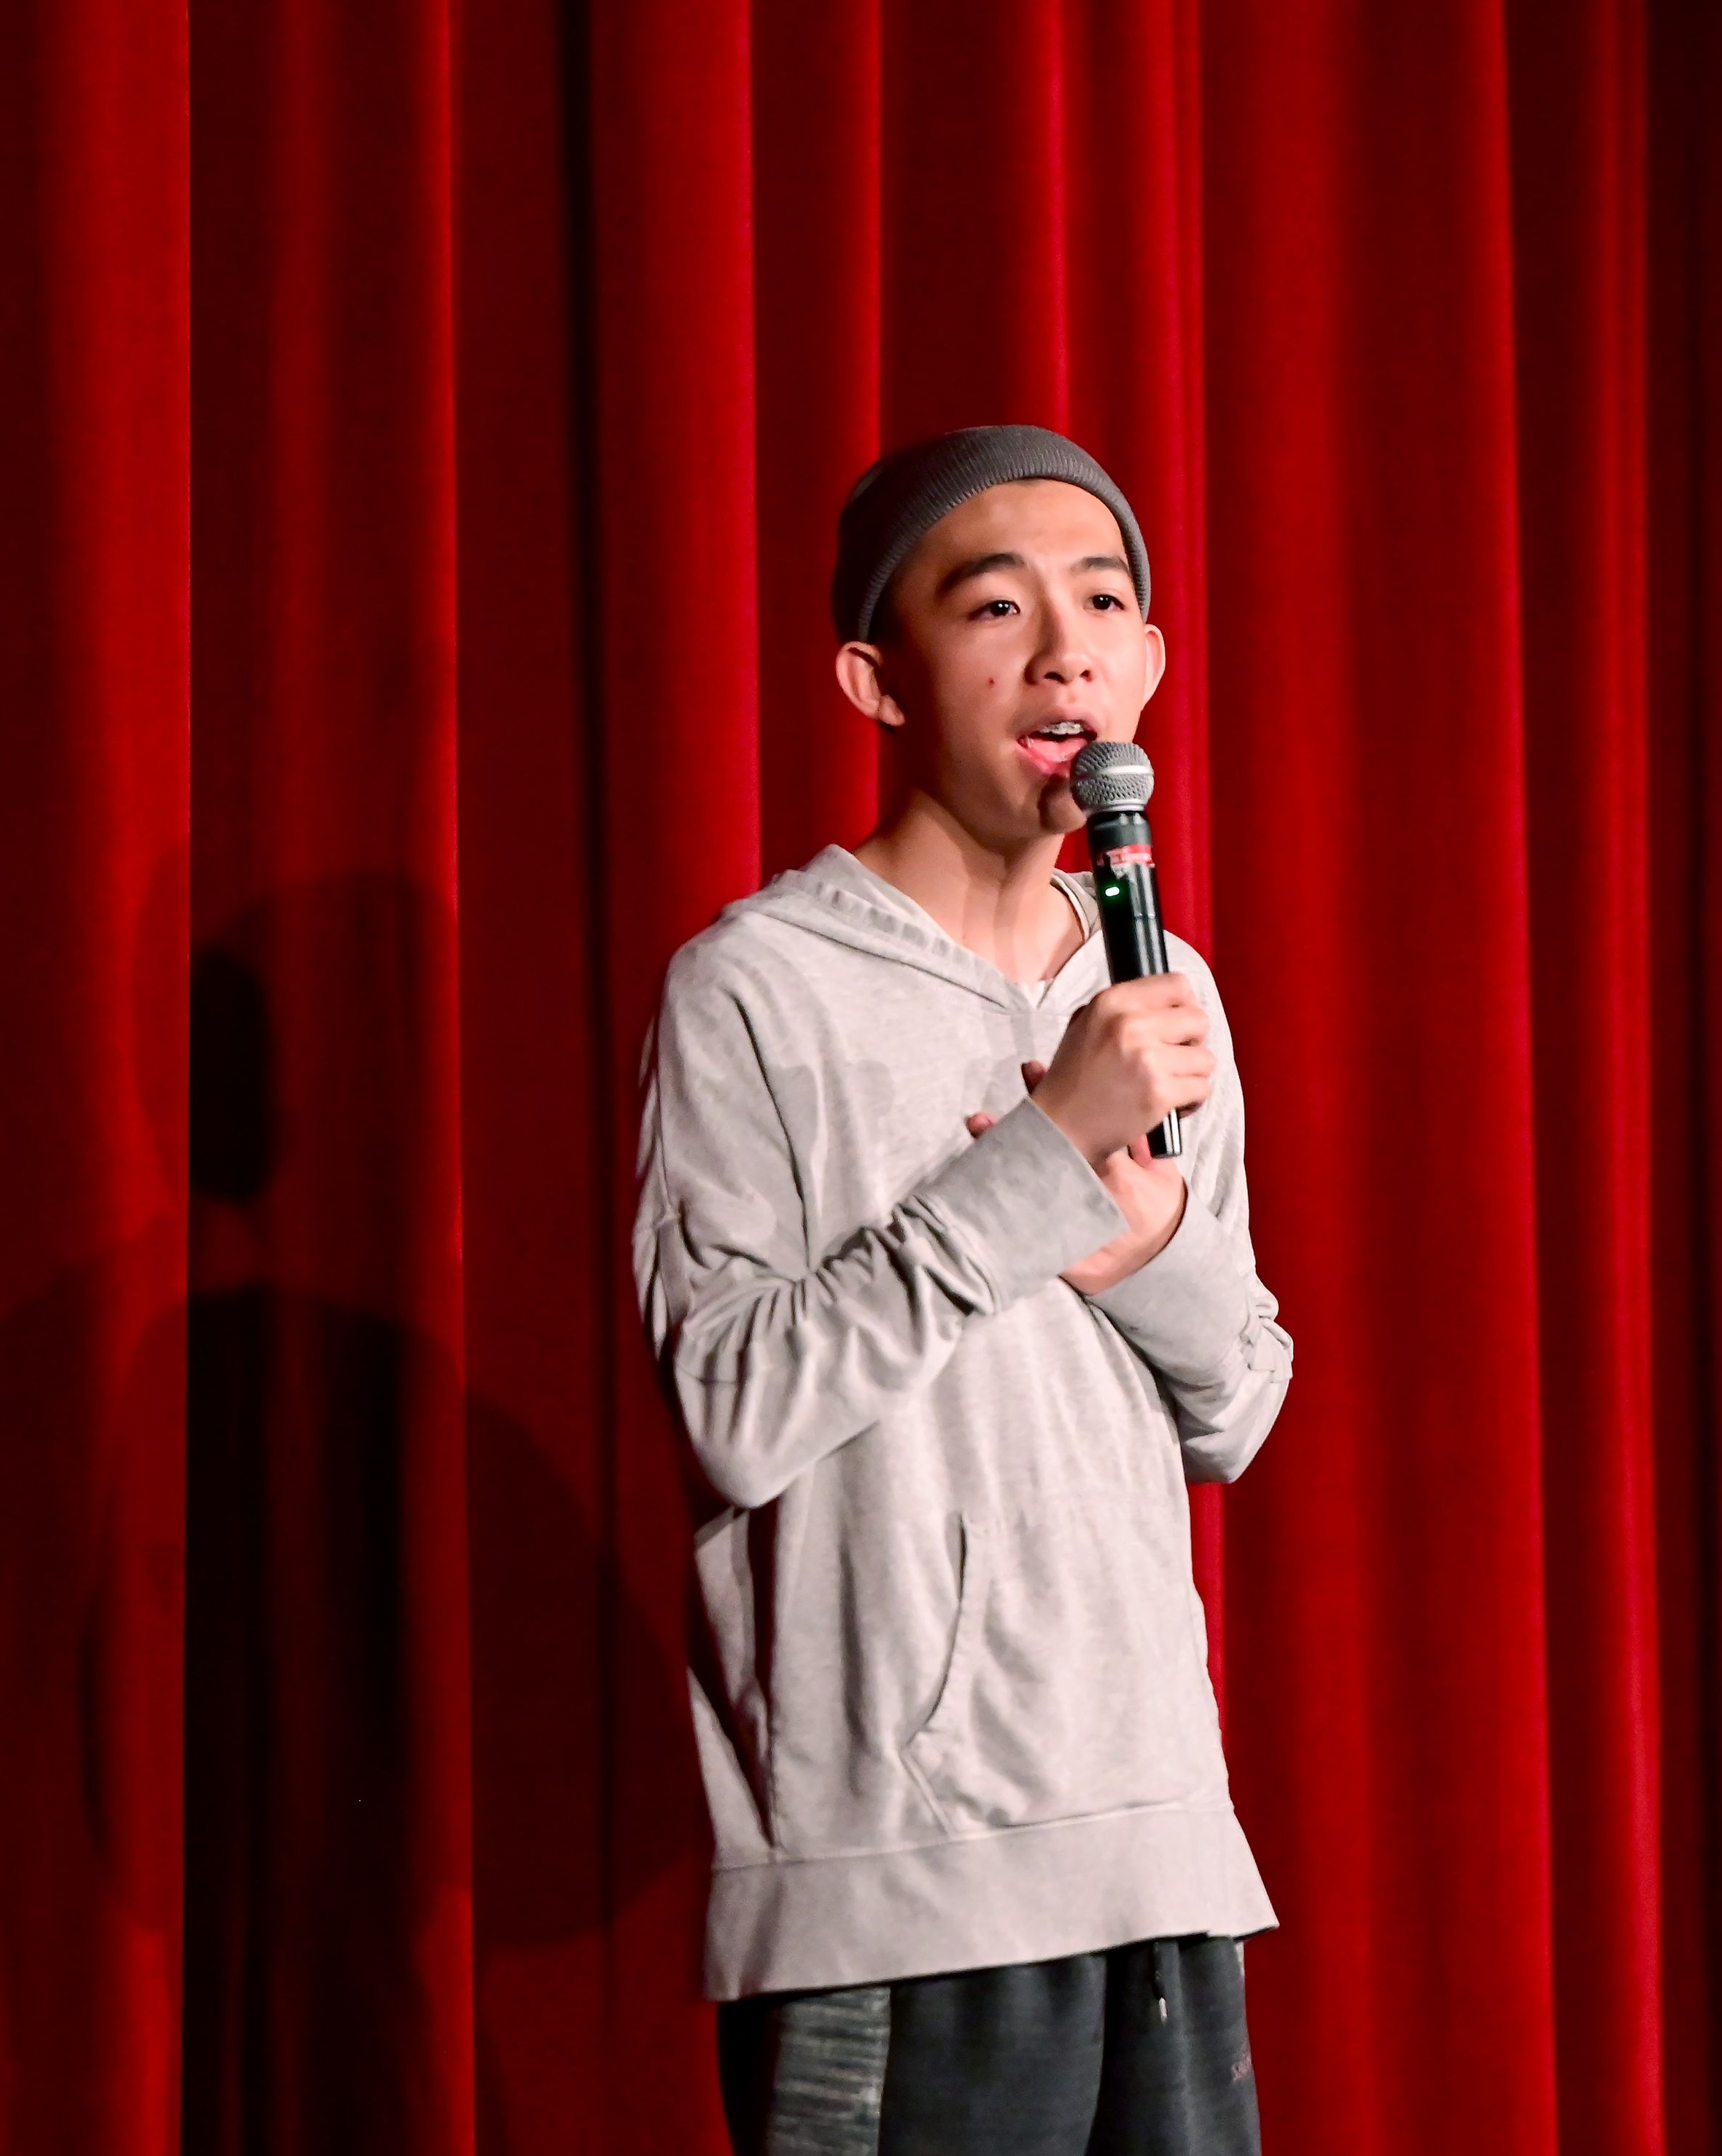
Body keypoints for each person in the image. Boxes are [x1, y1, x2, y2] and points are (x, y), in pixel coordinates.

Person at [633, 425, 1292, 2153]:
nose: (1065, 646)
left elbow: (1239, 1400)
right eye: (995, 605)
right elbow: (735, 1400)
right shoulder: (757, 989)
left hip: (1158, 1856)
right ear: (881, 678)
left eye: (1103, 602)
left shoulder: (1158, 984)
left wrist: (1139, 1248)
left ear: (1148, 663)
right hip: (899, 1896)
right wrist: (1035, 1160)